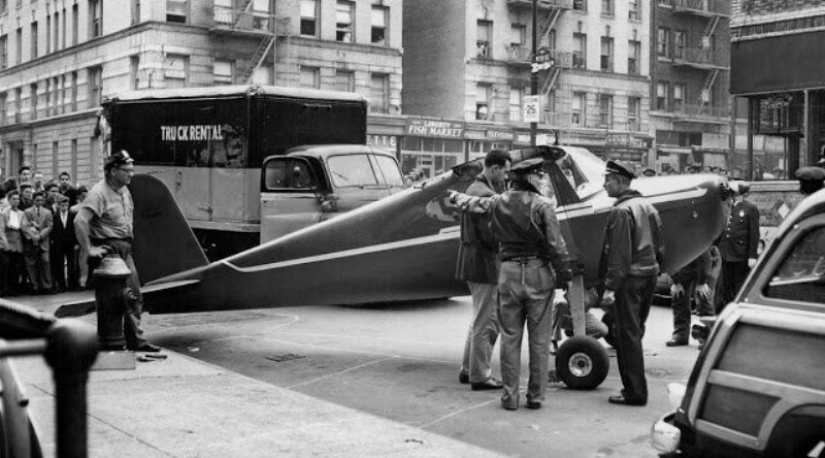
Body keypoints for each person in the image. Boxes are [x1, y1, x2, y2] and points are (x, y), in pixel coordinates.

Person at [74, 150, 161, 353]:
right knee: (117, 299)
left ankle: (134, 340)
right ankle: (114, 343)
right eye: (127, 171)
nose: (131, 174)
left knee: (134, 296)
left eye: (132, 170)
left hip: (124, 247)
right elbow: (80, 221)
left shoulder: (123, 190)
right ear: (113, 171)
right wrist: (89, 249)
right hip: (110, 249)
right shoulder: (99, 192)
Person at [598, 160, 664, 406]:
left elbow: (619, 255)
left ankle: (635, 392)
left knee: (628, 335)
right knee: (634, 332)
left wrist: (610, 288)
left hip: (630, 279)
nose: (604, 186)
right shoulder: (648, 206)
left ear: (619, 182)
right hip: (649, 276)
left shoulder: (620, 211)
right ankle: (635, 389)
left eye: (608, 181)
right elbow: (660, 247)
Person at [456, 149, 510, 390]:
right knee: (487, 321)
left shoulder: (474, 189)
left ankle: (469, 369)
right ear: (495, 168)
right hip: (485, 262)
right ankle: (480, 375)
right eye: (505, 170)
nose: (506, 175)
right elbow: (493, 235)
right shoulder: (486, 194)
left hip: (472, 260)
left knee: (479, 318)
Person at [716, 182, 759, 313]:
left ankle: (739, 311)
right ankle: (727, 310)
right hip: (726, 253)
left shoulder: (750, 208)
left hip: (741, 254)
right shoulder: (727, 205)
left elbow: (754, 233)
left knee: (739, 286)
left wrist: (752, 256)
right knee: (726, 287)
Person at [666, 250, 712, 347]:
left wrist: (702, 282)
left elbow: (703, 255)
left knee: (704, 296)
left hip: (705, 260)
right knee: (678, 295)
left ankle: (707, 336)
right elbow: (667, 258)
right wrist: (676, 281)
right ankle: (680, 334)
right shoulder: (670, 238)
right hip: (683, 263)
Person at [22, 192, 53, 295]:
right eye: (37, 200)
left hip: (43, 242)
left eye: (41, 200)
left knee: (46, 263)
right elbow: (25, 226)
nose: (39, 202)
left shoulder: (47, 212)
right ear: (33, 200)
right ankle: (35, 287)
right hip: (31, 242)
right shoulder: (27, 212)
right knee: (32, 264)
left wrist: (40, 236)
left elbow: (49, 226)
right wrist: (33, 236)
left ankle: (47, 286)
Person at [0, 191, 26, 296]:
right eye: (13, 199)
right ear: (9, 200)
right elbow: (1, 229)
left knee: (16, 267)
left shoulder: (21, 213)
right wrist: (4, 243)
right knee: (5, 265)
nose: (16, 201)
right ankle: (3, 288)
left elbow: (24, 227)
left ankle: (13, 288)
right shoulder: (4, 213)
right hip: (7, 241)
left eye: (17, 199)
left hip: (18, 242)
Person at [51, 195, 77, 292]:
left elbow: (75, 230)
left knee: (71, 264)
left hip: (70, 243)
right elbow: (53, 230)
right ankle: (61, 285)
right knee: (59, 264)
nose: (64, 207)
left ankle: (72, 284)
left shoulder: (72, 215)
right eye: (62, 205)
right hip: (58, 243)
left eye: (66, 205)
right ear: (58, 205)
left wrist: (76, 243)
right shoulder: (54, 216)